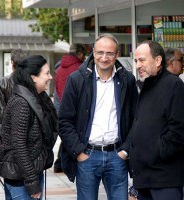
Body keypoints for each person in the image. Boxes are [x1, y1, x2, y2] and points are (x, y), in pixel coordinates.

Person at [59, 33, 138, 200]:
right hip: (87, 155)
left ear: (117, 55)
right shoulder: (76, 79)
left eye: (109, 53)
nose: (104, 57)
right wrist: (79, 153)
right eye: (100, 52)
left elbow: (136, 119)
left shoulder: (127, 80)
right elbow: (64, 121)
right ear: (93, 52)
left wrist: (125, 151)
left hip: (117, 156)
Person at [130, 40, 184, 200]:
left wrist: (155, 152)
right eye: (136, 61)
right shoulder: (146, 86)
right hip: (145, 176)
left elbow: (182, 130)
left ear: (158, 60)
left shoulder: (173, 85)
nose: (138, 65)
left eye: (142, 60)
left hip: (165, 177)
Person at [0, 55, 58, 200]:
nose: (50, 77)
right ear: (33, 77)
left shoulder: (38, 97)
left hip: (29, 173)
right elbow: (19, 144)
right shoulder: (22, 103)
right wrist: (31, 181)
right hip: (21, 178)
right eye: (47, 73)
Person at [53, 43, 86, 173]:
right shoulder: (80, 68)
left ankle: (59, 162)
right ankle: (61, 162)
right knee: (71, 135)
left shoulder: (59, 67)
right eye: (83, 54)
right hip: (73, 108)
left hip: (59, 105)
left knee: (66, 134)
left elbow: (57, 90)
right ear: (79, 54)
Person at [0, 49, 27, 148]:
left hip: (9, 130)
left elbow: (0, 112)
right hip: (27, 130)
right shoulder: (32, 81)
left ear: (12, 63)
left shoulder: (3, 82)